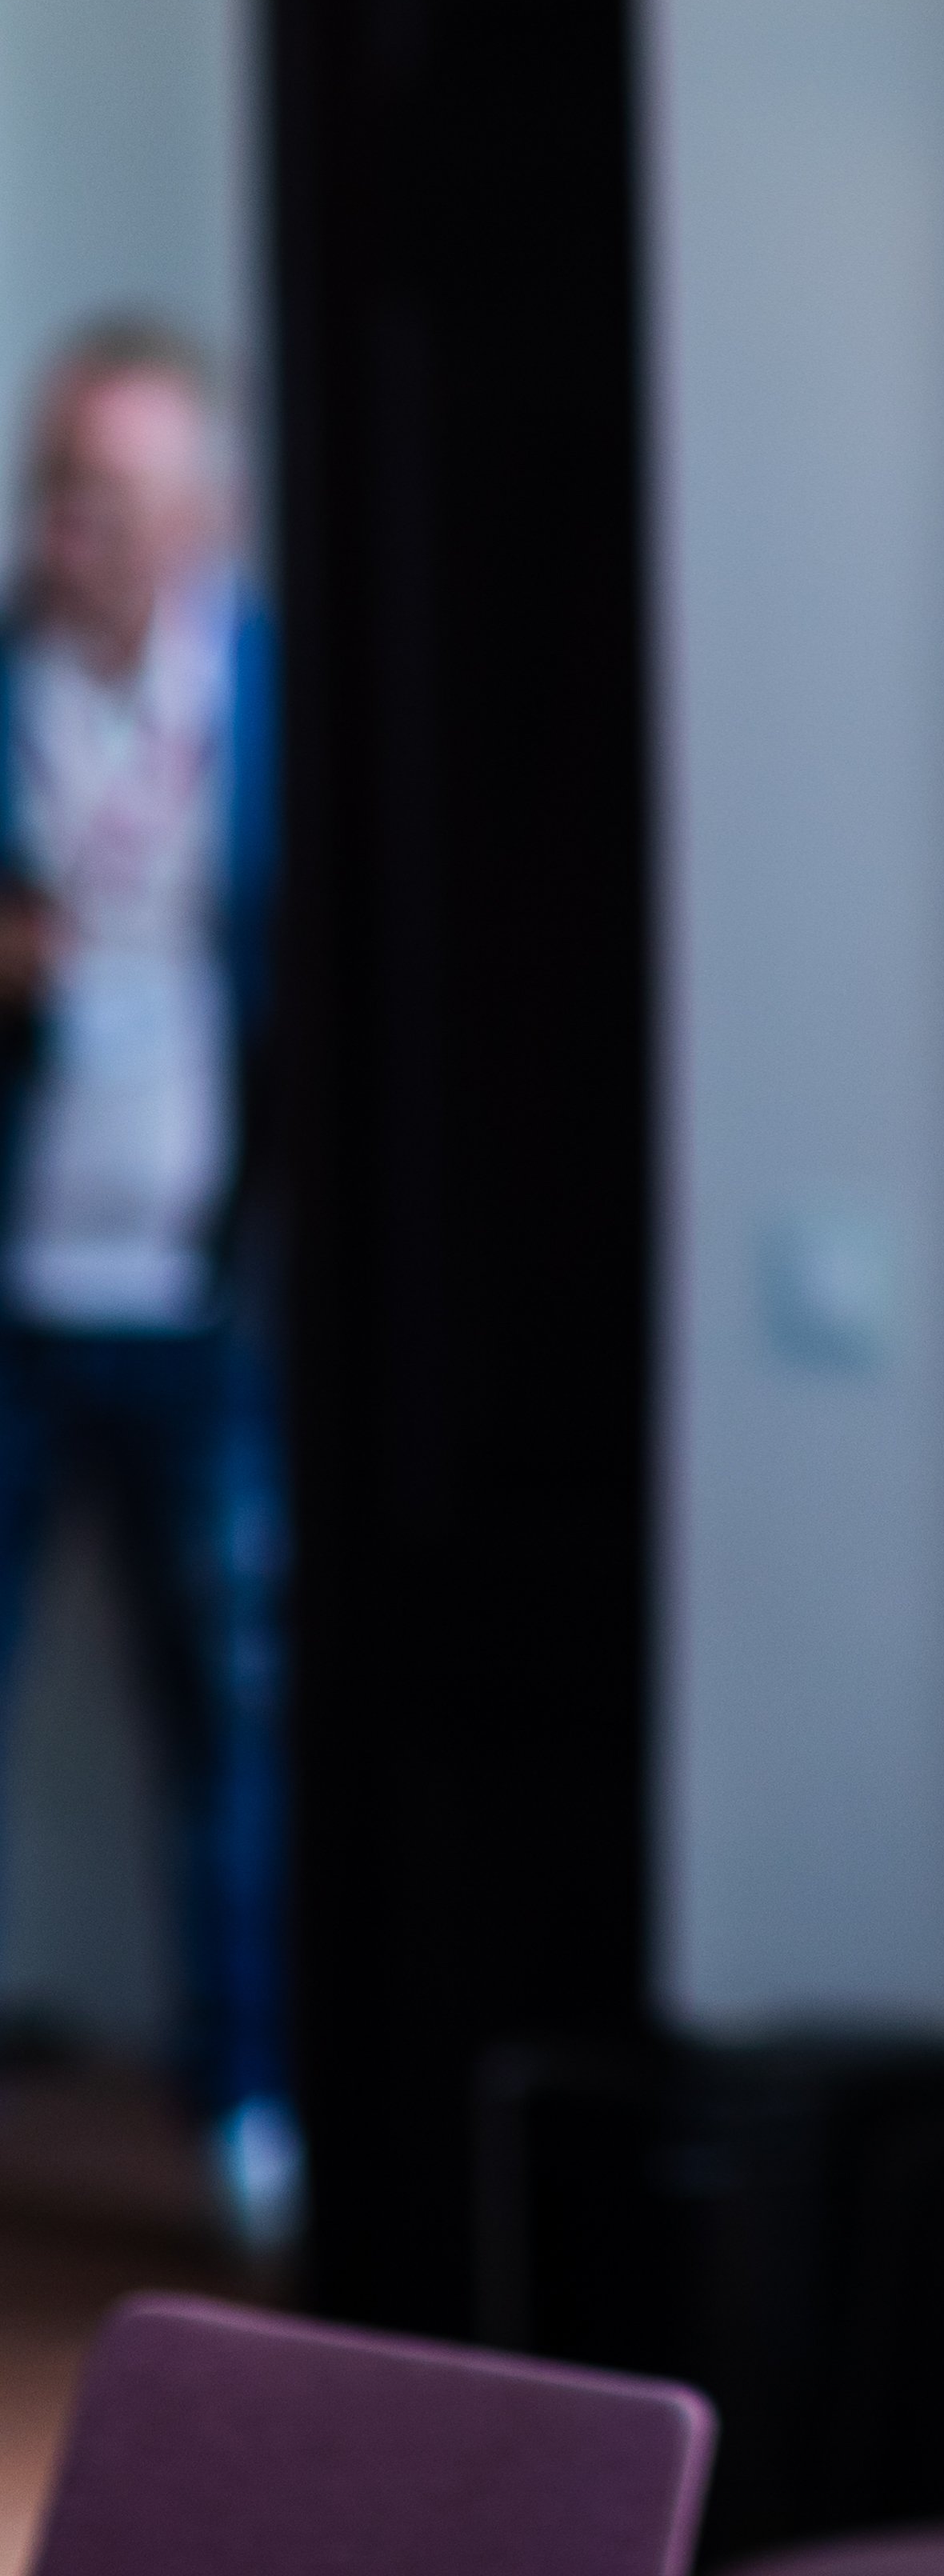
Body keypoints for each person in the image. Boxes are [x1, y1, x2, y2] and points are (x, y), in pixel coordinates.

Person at [0, 319, 286, 2258]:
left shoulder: (275, 694)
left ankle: (247, 2102)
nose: (73, 529)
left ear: (205, 511)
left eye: (111, 495)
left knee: (241, 1722)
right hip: (17, 1289)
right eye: (56, 487)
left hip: (207, 1299)